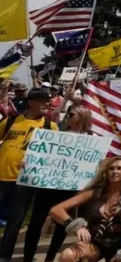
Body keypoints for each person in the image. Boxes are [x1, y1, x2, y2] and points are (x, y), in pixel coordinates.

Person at [21, 105, 94, 262]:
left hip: (71, 188)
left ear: (81, 117)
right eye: (67, 113)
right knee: (36, 222)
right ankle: (27, 257)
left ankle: (50, 257)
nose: (67, 116)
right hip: (48, 185)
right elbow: (42, 156)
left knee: (63, 224)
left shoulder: (90, 139)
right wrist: (30, 162)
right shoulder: (56, 135)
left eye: (71, 114)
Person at [0, 88, 59, 261]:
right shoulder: (11, 121)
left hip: (24, 182)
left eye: (48, 100)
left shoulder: (50, 127)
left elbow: (53, 156)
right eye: (42, 100)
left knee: (15, 222)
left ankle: (4, 256)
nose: (47, 103)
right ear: (31, 102)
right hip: (1, 177)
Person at [49, 157, 121, 262]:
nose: (115, 171)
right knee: (67, 255)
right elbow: (56, 210)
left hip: (119, 244)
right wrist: (77, 226)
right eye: (111, 168)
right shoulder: (94, 192)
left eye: (119, 168)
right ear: (106, 172)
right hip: (95, 243)